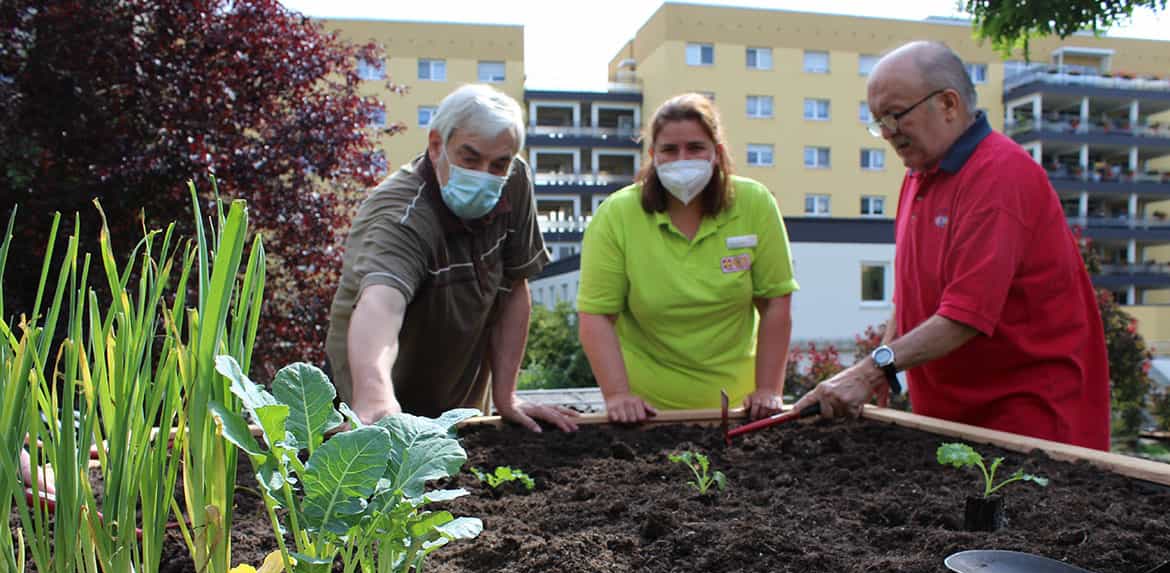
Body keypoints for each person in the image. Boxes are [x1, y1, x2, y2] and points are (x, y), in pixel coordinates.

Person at [794, 41, 1110, 450]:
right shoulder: (919, 175)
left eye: (895, 115)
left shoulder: (1000, 175)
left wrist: (868, 372)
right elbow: (912, 294)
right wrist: (883, 368)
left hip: (1025, 424)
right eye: (878, 121)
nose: (887, 133)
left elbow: (966, 315)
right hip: (951, 420)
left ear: (947, 103)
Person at [325, 84, 578, 432]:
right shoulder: (401, 214)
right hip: (374, 408)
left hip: (457, 407)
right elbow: (382, 304)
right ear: (436, 145)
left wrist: (507, 397)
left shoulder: (515, 180)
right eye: (469, 158)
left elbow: (513, 287)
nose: (484, 175)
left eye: (498, 164)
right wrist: (374, 395)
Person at [576, 93, 798, 423]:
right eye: (669, 150)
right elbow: (596, 315)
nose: (682, 159)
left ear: (717, 153)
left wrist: (768, 389)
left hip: (736, 410)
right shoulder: (617, 214)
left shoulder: (754, 203)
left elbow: (776, 302)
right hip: (647, 415)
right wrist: (619, 395)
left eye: (695, 148)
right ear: (653, 156)